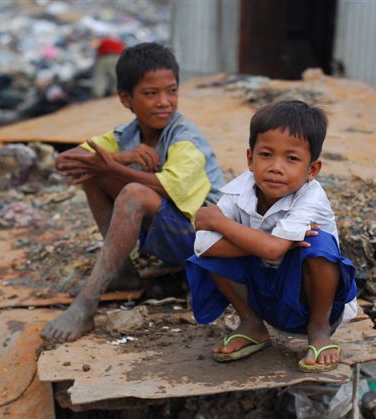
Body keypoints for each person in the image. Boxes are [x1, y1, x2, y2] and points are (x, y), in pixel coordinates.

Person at [41, 42, 226, 342]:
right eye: (151, 94)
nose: (164, 102)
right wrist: (122, 157)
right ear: (126, 99)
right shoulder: (125, 135)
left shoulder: (185, 137)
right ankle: (123, 273)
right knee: (94, 173)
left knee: (133, 192)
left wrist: (112, 168)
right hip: (172, 235)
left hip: (209, 240)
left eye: (172, 91)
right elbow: (65, 161)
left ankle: (86, 304)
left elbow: (167, 186)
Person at [185, 100, 357, 373]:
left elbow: (274, 250)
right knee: (205, 256)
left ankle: (319, 331)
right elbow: (203, 245)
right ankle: (252, 324)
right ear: (250, 159)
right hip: (266, 295)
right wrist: (267, 245)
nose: (276, 167)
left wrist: (223, 224)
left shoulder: (311, 196)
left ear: (312, 169)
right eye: (266, 154)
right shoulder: (237, 191)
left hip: (308, 299)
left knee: (319, 245)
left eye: (291, 158)